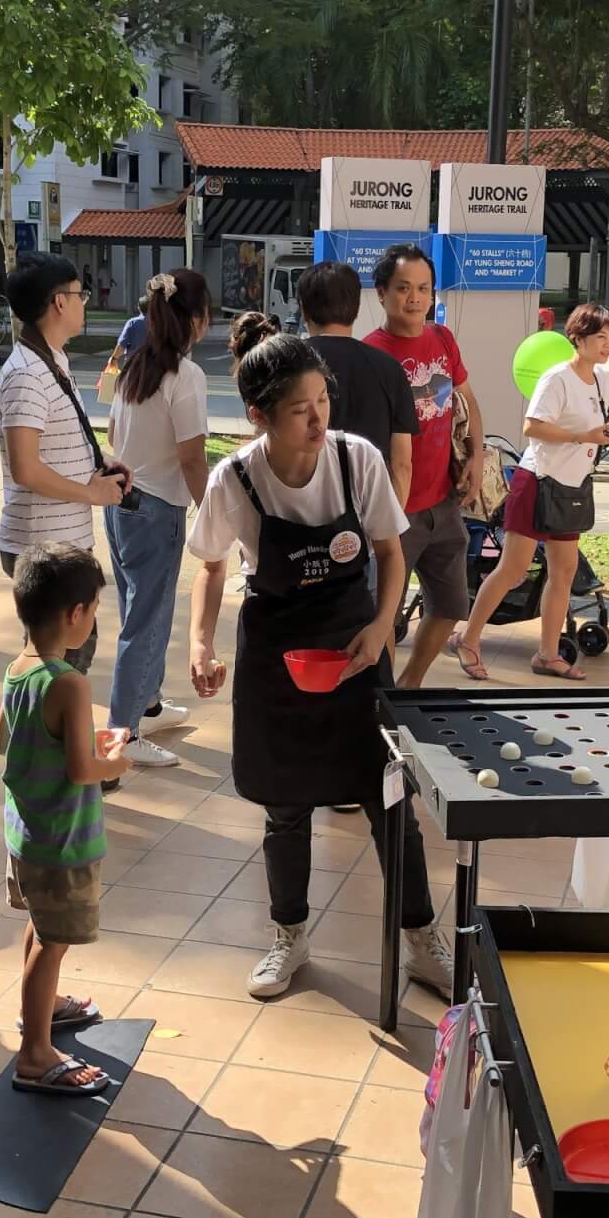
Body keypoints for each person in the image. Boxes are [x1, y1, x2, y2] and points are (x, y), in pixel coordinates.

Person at [185, 317, 452, 1000]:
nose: (318, 418)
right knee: (285, 804)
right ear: (259, 415)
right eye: (300, 408)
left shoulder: (355, 460)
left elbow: (389, 553)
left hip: (354, 645)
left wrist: (382, 627)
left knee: (387, 798)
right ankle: (289, 936)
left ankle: (423, 940)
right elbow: (211, 566)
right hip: (276, 652)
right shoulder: (234, 479)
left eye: (323, 401)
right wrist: (200, 642)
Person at [0, 543, 129, 1094]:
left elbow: (5, 739)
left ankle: (44, 1006)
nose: (94, 618)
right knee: (53, 941)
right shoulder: (70, 682)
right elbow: (83, 769)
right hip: (63, 842)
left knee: (40, 925)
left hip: (25, 833)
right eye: (95, 608)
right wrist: (116, 759)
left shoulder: (18, 668)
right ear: (75, 613)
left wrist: (77, 738)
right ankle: (34, 1053)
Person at [454, 304, 609, 682]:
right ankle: (469, 639)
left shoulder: (603, 379)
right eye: (600, 337)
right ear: (578, 339)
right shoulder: (557, 378)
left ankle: (548, 654)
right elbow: (533, 427)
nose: (608, 345)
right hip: (537, 483)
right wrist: (584, 436)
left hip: (571, 489)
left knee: (564, 571)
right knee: (513, 568)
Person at [0, 253, 128, 674]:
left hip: (60, 542)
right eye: (79, 295)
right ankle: (43, 720)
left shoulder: (50, 360)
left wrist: (101, 464)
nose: (83, 303)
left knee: (65, 657)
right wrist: (91, 493)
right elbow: (26, 469)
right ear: (58, 302)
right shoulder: (26, 375)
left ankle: (45, 718)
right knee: (58, 665)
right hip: (44, 546)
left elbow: (55, 445)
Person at [103, 269, 211, 768]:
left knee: (138, 614)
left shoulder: (135, 366)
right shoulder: (185, 376)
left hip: (121, 503)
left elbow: (112, 433)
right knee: (145, 625)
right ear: (197, 319)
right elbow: (192, 458)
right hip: (156, 509)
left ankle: (147, 706)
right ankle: (122, 735)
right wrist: (212, 513)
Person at [363, 243, 482, 687]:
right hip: (394, 510)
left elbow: (467, 402)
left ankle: (408, 686)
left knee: (451, 606)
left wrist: (476, 455)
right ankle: (384, 697)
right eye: (403, 288)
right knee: (385, 614)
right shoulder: (371, 353)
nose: (414, 298)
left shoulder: (443, 338)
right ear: (381, 293)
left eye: (423, 288)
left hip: (443, 501)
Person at [297, 261, 414, 509]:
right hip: (368, 508)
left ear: (304, 310)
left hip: (302, 510)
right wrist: (392, 522)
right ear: (356, 308)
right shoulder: (390, 369)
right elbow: (402, 464)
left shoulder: (289, 364)